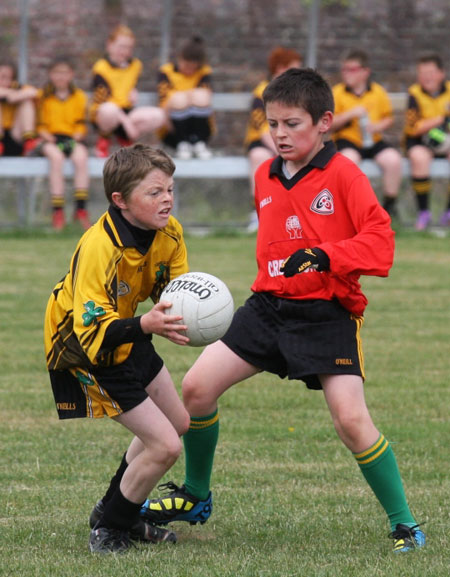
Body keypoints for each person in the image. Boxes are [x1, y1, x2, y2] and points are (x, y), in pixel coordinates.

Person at [141, 68, 426, 554]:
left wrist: (327, 256)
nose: (279, 134)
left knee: (351, 421)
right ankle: (195, 495)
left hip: (326, 314)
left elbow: (381, 242)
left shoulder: (344, 175)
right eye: (272, 124)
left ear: (324, 123)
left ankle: (405, 526)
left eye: (292, 124)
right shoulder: (264, 175)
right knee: (196, 389)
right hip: (267, 308)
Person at [44, 144, 191, 554]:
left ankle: (113, 508)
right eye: (155, 192)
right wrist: (148, 324)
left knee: (176, 422)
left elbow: (175, 294)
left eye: (170, 190)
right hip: (81, 344)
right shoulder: (99, 246)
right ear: (120, 200)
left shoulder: (170, 232)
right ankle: (110, 528)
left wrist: (195, 313)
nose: (167, 200)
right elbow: (91, 329)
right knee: (165, 445)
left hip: (124, 327)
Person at [331, 50, 403, 219]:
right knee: (348, 161)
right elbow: (329, 124)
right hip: (348, 140)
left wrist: (377, 126)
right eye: (345, 70)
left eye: (353, 69)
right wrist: (349, 114)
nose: (347, 74)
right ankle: (350, 209)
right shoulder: (338, 92)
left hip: (373, 140)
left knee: (393, 160)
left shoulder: (377, 92)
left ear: (365, 72)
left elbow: (388, 118)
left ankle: (388, 208)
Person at [244, 46, 303, 232]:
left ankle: (297, 211)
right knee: (259, 157)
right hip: (264, 142)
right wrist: (283, 149)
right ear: (279, 68)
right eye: (294, 69)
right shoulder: (261, 91)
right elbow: (263, 130)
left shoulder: (296, 93)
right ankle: (257, 212)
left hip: (288, 141)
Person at [90, 25, 166, 158]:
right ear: (109, 45)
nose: (124, 51)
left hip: (126, 110)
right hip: (105, 114)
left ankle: (124, 139)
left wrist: (133, 91)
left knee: (159, 115)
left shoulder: (135, 65)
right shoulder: (100, 68)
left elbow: (127, 84)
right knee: (109, 110)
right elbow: (104, 100)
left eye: (129, 47)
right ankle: (104, 139)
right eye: (121, 46)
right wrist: (127, 123)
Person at [36, 57, 90, 231]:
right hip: (51, 139)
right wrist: (47, 136)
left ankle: (80, 209)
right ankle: (57, 211)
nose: (61, 77)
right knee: (56, 157)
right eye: (57, 73)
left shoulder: (79, 96)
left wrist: (76, 136)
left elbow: (81, 124)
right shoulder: (42, 96)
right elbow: (39, 124)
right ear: (51, 75)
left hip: (70, 139)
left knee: (81, 157)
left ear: (71, 75)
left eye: (65, 73)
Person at [404, 53, 450, 230]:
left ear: (441, 73)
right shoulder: (414, 93)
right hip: (419, 141)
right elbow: (413, 127)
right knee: (419, 158)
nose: (426, 77)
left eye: (430, 72)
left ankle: (448, 211)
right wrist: (439, 120)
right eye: (422, 73)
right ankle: (424, 212)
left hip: (444, 140)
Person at [157, 36, 214, 160]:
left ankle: (199, 142)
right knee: (178, 99)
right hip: (172, 129)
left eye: (193, 68)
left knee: (200, 96)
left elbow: (206, 98)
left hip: (200, 127)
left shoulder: (204, 72)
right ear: (179, 58)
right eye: (186, 65)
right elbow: (164, 104)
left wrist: (187, 96)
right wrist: (185, 97)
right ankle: (182, 143)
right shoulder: (166, 72)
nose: (189, 71)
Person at [0, 60, 39, 157]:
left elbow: (34, 92)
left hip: (15, 135)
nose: (3, 81)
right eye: (1, 77)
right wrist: (10, 95)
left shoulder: (18, 87)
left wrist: (14, 96)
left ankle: (29, 141)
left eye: (7, 77)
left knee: (26, 102)